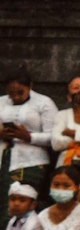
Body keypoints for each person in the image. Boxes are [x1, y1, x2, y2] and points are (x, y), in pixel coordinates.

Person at [0, 68, 57, 213]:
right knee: (4, 206)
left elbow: (54, 137)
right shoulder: (1, 102)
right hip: (4, 158)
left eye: (20, 92)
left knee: (23, 204)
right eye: (11, 93)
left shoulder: (44, 102)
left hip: (32, 161)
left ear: (30, 86)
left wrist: (29, 137)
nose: (16, 97)